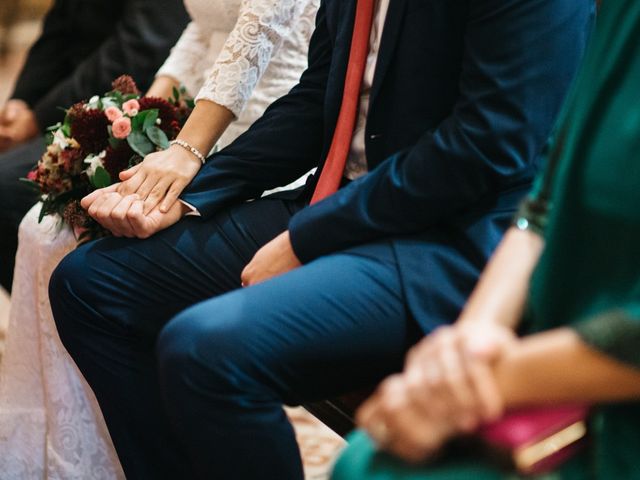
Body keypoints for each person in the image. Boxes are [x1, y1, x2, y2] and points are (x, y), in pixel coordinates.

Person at [49, 0, 594, 479]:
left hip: (447, 240)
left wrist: (309, 238)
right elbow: (319, 100)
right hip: (341, 203)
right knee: (91, 285)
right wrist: (185, 195)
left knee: (208, 350)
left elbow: (490, 143)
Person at [0, 1, 319, 478]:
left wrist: (187, 151)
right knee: (42, 230)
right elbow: (200, 29)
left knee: (87, 258)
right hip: (193, 120)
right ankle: (63, 450)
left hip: (259, 128)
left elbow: (260, 30)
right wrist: (139, 118)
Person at [331, 0, 640, 478]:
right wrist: (472, 338)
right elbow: (546, 201)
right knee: (367, 460)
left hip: (605, 391)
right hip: (540, 336)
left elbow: (489, 138)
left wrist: (487, 381)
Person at [0, 0, 189, 292]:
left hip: (126, 101)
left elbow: (140, 49)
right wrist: (22, 101)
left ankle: (59, 317)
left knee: (6, 187)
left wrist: (37, 119)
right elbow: (58, 28)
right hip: (66, 99)